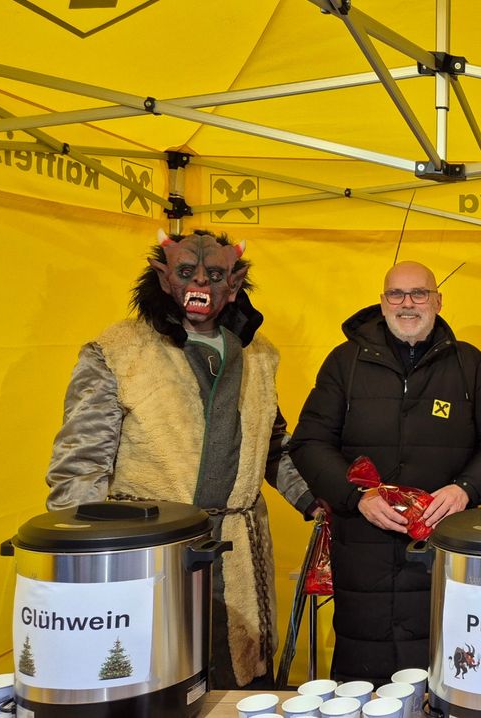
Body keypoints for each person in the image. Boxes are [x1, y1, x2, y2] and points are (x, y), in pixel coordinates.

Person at [46, 229, 316, 689]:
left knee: (238, 680)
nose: (200, 284)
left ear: (234, 283)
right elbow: (80, 462)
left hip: (237, 550)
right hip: (150, 550)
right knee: (152, 675)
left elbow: (270, 444)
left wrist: (315, 499)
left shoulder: (260, 355)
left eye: (214, 275)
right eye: (187, 272)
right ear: (163, 275)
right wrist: (83, 562)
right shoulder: (118, 351)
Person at [290, 260, 481, 682]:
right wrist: (358, 498)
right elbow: (309, 442)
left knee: (447, 666)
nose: (407, 304)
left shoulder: (470, 365)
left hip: (442, 546)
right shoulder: (345, 363)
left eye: (419, 293)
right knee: (361, 673)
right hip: (363, 547)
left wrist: (465, 489)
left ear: (438, 301)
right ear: (382, 301)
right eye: (397, 294)